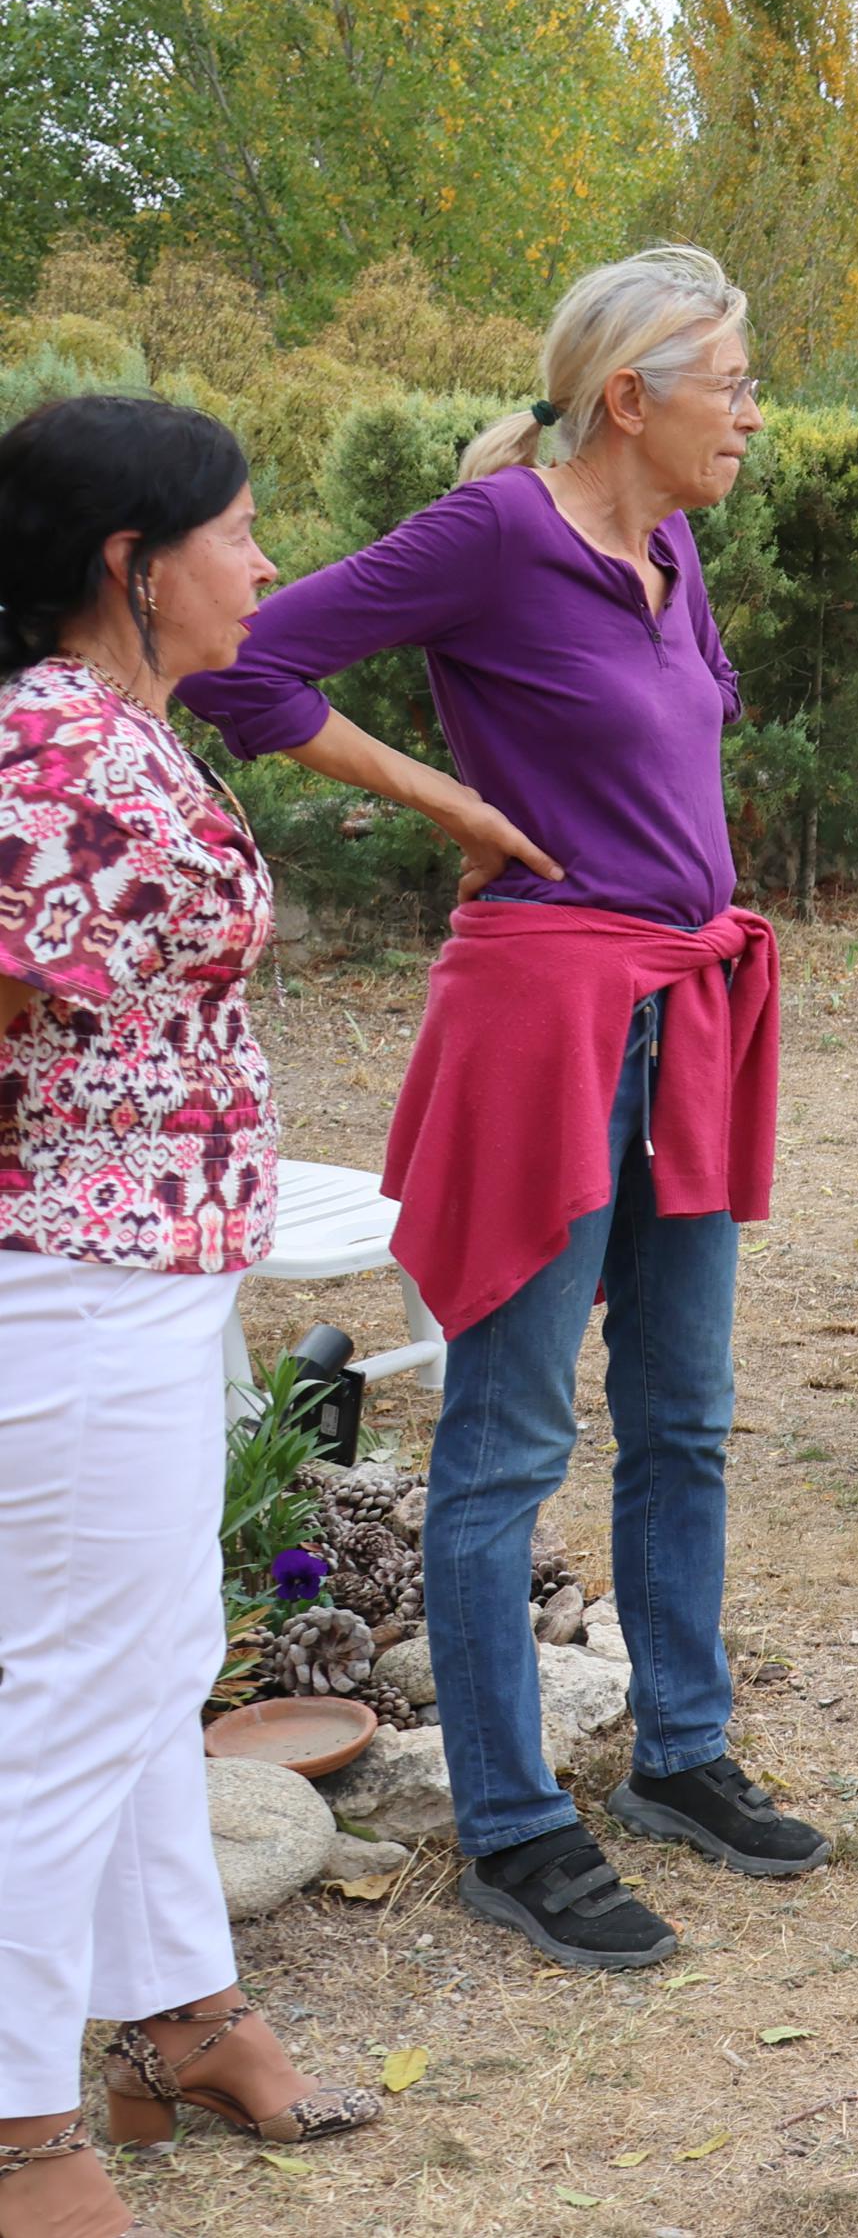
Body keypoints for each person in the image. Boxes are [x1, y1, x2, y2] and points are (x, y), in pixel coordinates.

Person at [179, 246, 825, 1973]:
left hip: (682, 1008)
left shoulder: (666, 543)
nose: (754, 413)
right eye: (733, 382)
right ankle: (515, 1823)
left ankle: (680, 1753)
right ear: (633, 395)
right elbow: (244, 663)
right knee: (509, 1439)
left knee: (683, 1413)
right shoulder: (493, 533)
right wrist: (440, 793)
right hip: (547, 1017)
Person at [2, 398, 382, 2229]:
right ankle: (16, 2128)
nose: (266, 562)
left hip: (142, 1271)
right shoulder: (52, 752)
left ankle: (174, 2020)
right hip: (69, 1290)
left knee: (145, 1673)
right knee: (75, 1701)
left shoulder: (119, 732)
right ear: (127, 565)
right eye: (236, 530)